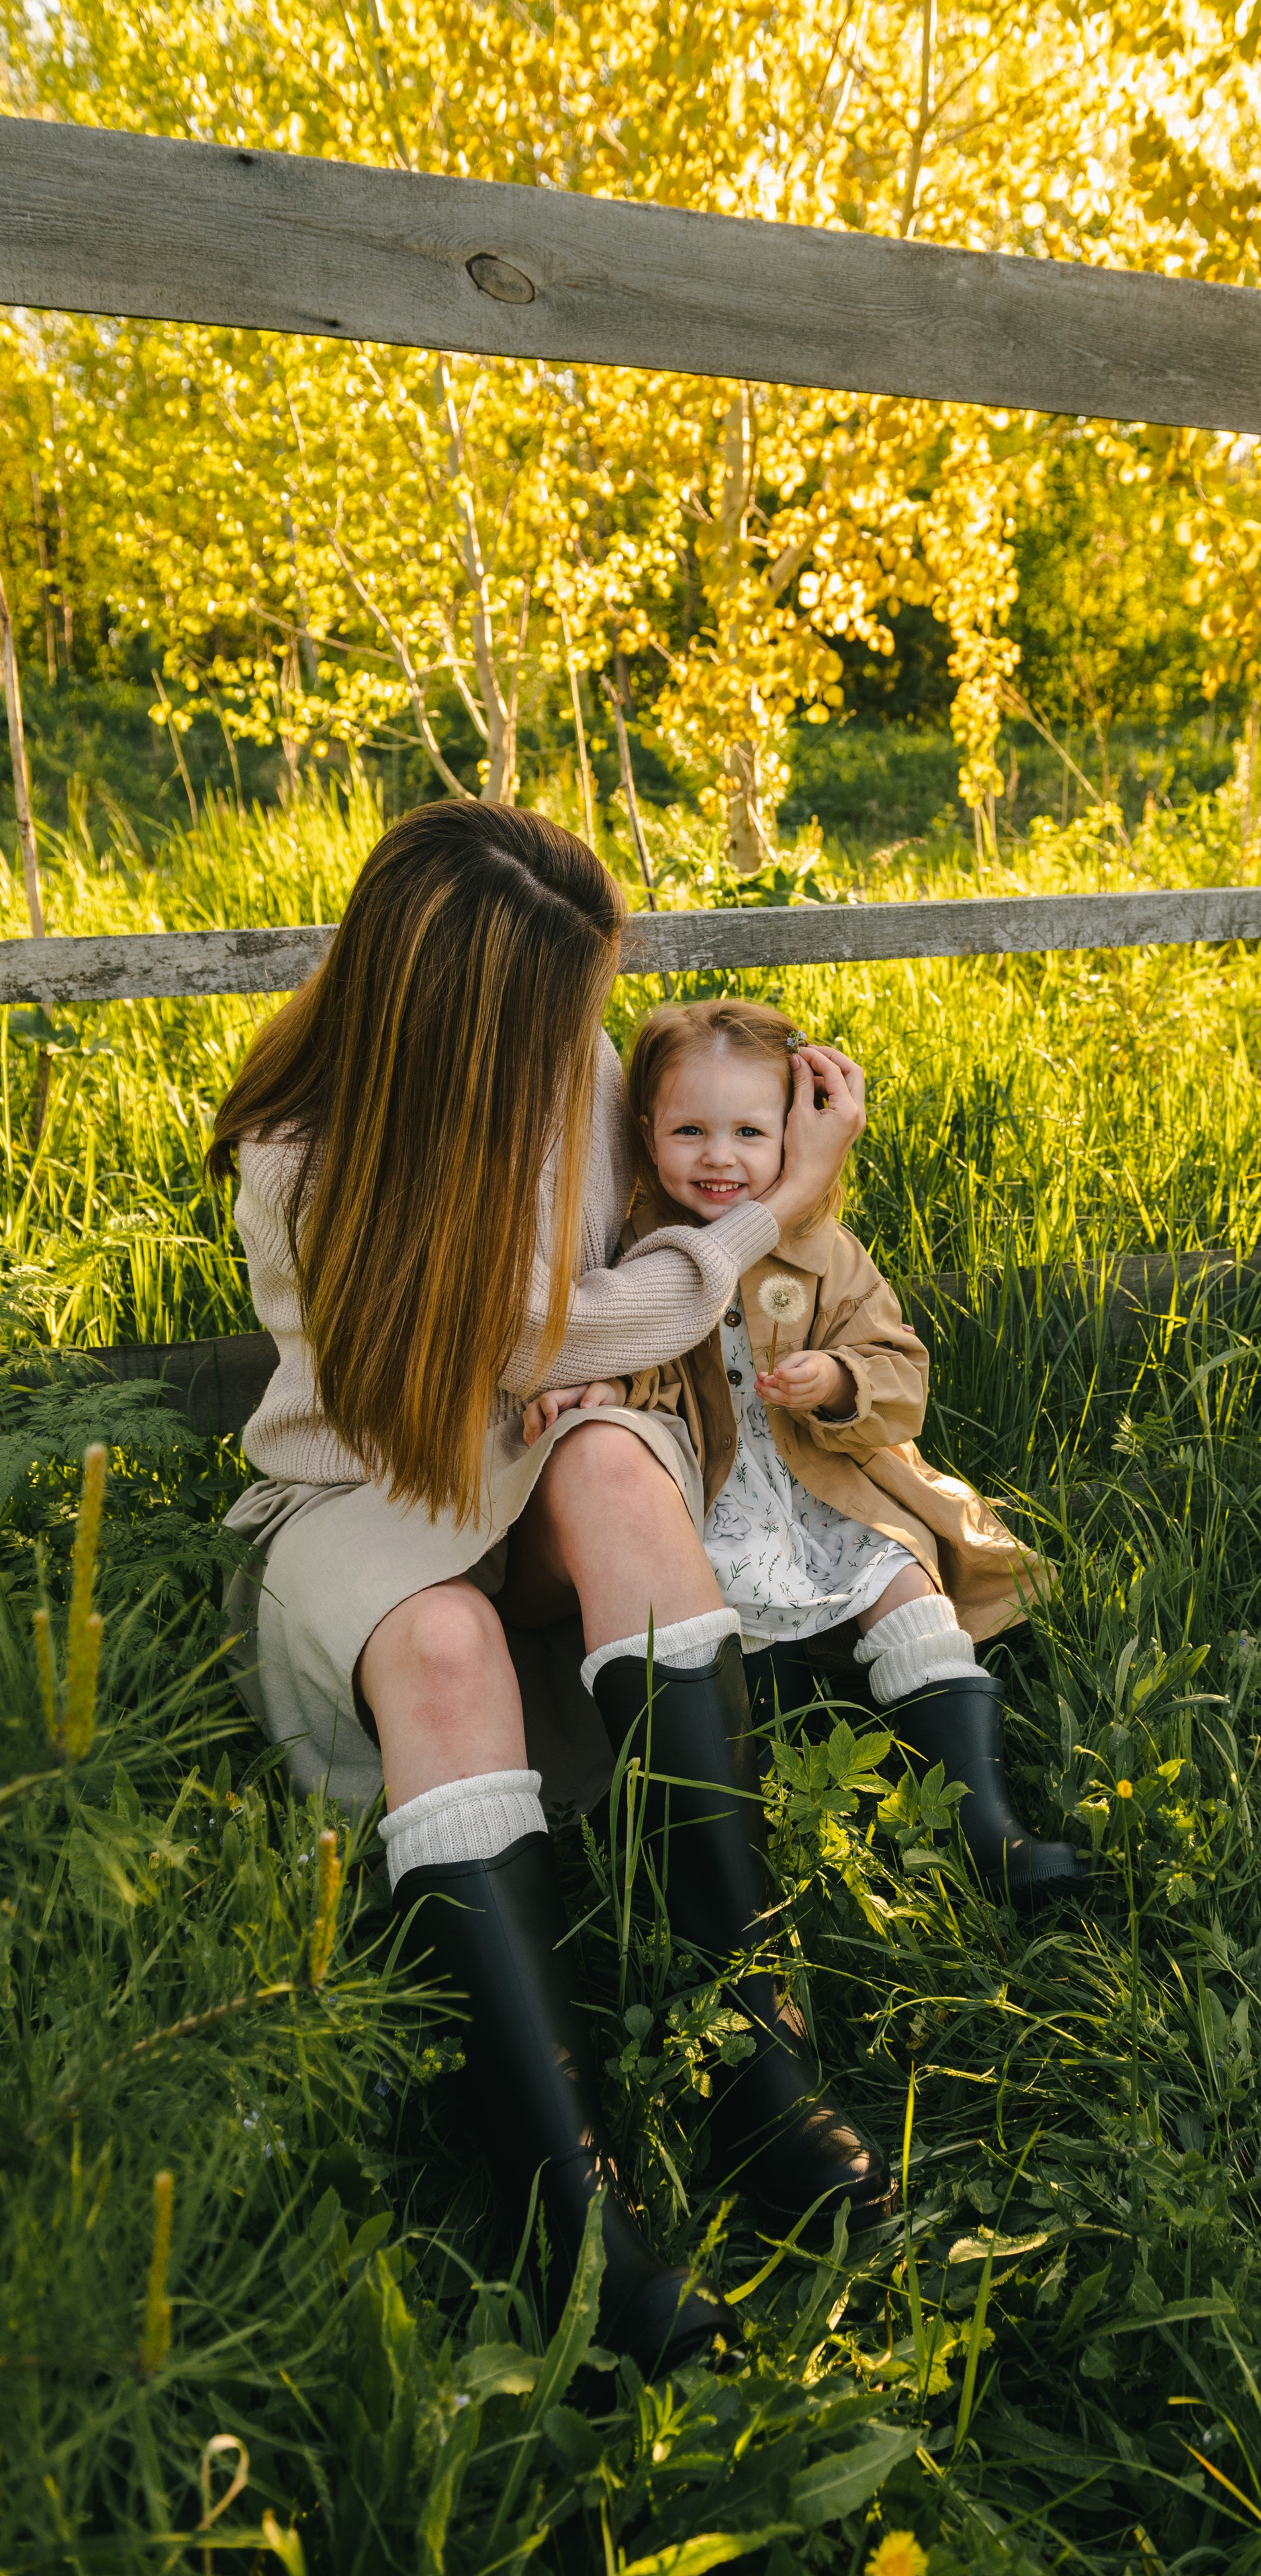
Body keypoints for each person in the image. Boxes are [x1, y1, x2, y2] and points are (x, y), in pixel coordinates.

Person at [208, 800, 891, 2379]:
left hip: (534, 1452)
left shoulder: (572, 1070)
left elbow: (597, 1316)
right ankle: (563, 2204)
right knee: (445, 1640)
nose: (587, 1042)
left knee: (606, 1469)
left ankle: (753, 2049)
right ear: (459, 1016)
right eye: (557, 1010)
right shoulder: (306, 1154)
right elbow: (530, 1337)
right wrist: (760, 1231)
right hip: (358, 1489)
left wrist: (640, 1320)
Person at [522, 995, 1086, 1908]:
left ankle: (987, 1827)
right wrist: (605, 1387)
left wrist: (838, 1380)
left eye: (751, 1130)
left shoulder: (827, 1254)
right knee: (731, 1632)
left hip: (829, 1491)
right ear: (643, 1134)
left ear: (795, 1133)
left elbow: (901, 1375)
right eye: (690, 1130)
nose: (720, 1157)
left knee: (904, 1583)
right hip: (716, 1507)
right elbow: (632, 1368)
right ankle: (790, 1800)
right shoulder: (639, 1261)